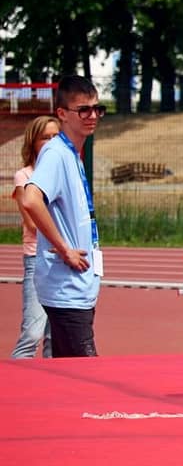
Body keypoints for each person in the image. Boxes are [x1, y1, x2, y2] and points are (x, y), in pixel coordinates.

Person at [17, 75, 104, 357]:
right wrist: (64, 249)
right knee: (87, 372)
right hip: (67, 289)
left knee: (67, 371)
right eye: (84, 110)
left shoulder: (71, 154)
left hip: (77, 288)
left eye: (97, 109)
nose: (92, 116)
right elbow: (31, 199)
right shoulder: (56, 154)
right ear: (62, 114)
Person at [10, 115, 60, 358]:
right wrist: (62, 237)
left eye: (55, 137)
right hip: (38, 259)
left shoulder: (63, 173)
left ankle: (53, 381)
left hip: (63, 260)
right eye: (45, 138)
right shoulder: (24, 176)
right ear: (33, 142)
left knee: (55, 338)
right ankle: (13, 377)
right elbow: (31, 223)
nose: (51, 142)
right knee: (32, 333)